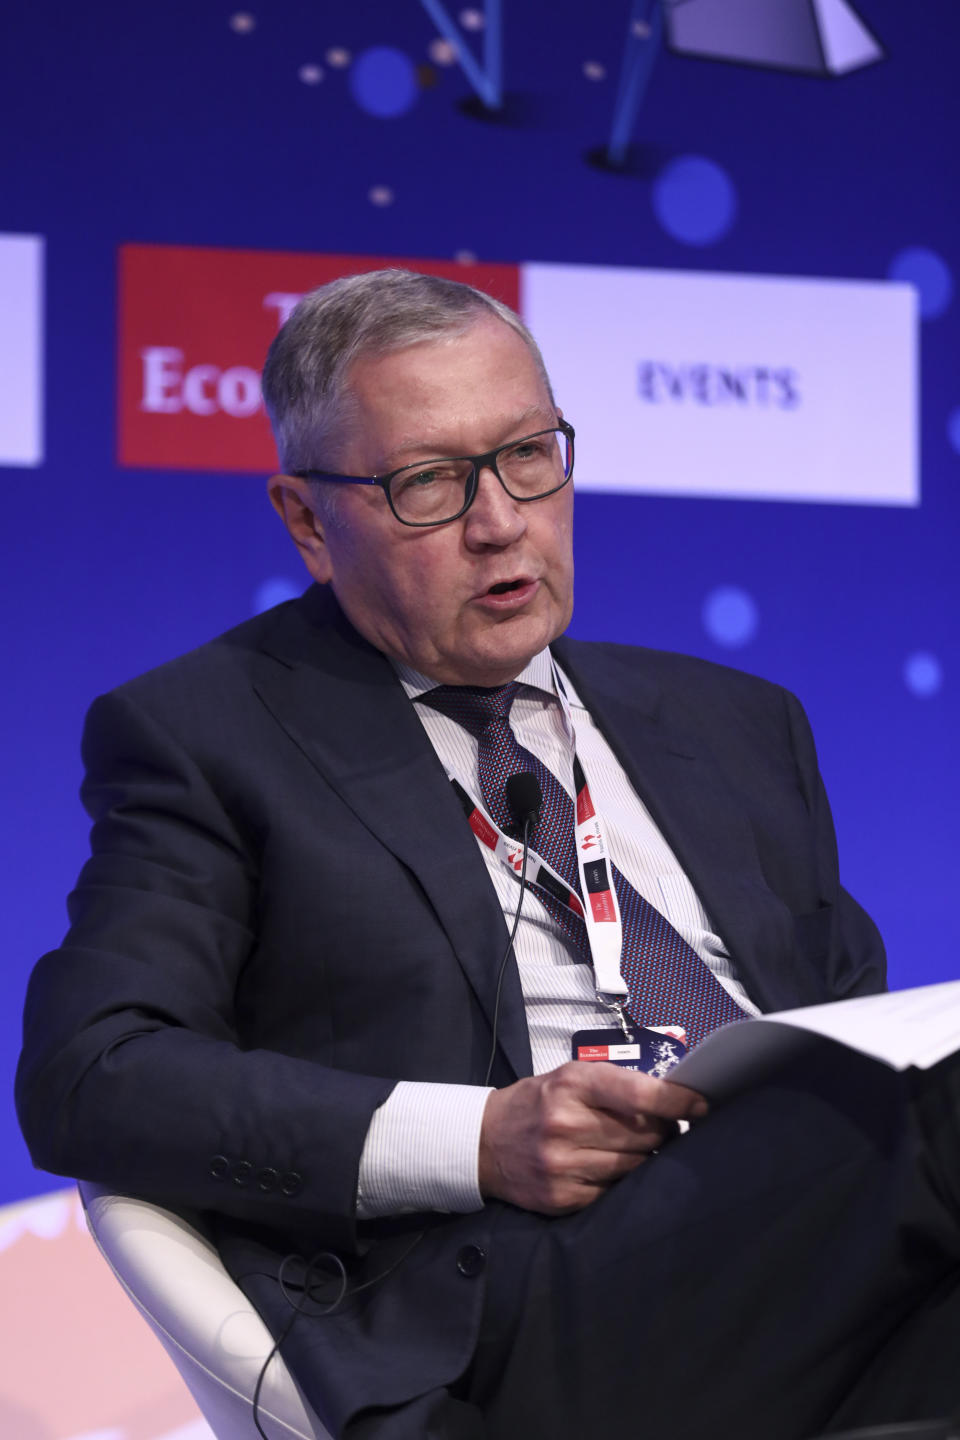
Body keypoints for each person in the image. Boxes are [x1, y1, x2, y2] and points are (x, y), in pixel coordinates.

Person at [16, 270, 960, 1440]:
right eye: (428, 484)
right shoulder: (208, 737)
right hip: (516, 1308)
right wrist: (481, 1141)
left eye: (528, 455)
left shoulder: (738, 721)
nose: (501, 519)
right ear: (309, 521)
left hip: (806, 1270)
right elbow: (90, 1076)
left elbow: (852, 1032)